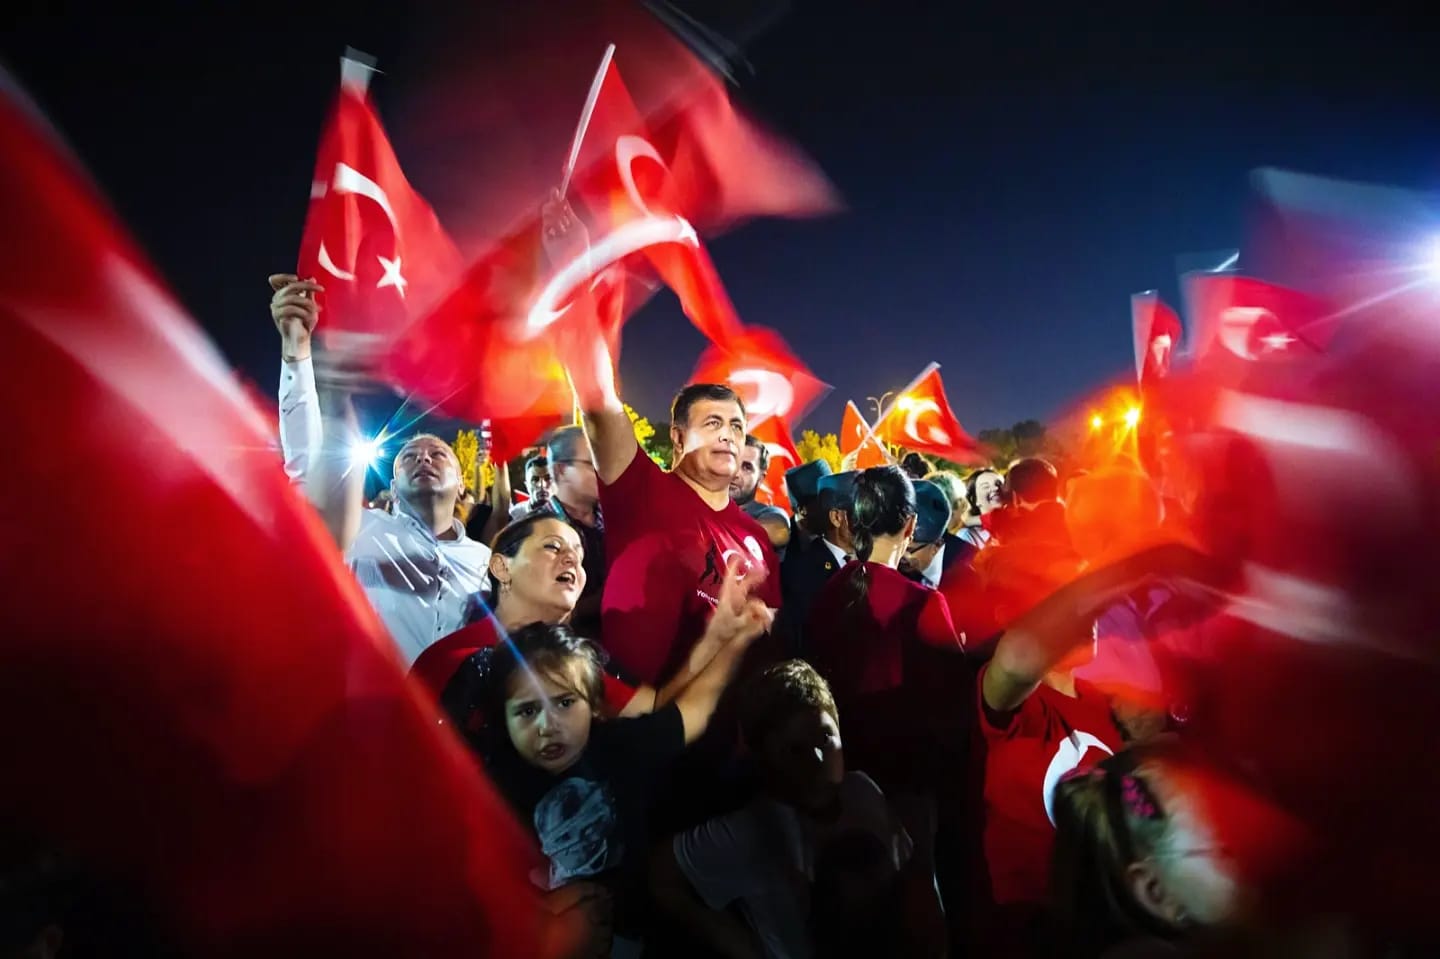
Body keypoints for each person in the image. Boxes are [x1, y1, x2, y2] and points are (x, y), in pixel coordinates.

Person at [474, 564, 772, 956]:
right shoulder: (492, 787)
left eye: (565, 703)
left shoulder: (617, 746)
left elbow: (693, 712)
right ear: (503, 717)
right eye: (527, 711)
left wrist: (734, 640)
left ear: (596, 707)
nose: (549, 726)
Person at [970, 542, 1215, 954]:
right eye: (1059, 596)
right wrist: (1131, 565)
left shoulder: (1115, 701)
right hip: (1032, 926)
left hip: (1122, 921)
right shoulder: (1013, 705)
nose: (1091, 613)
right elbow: (1016, 658)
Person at [269, 273, 491, 665]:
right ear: (393, 483)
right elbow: (308, 463)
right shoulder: (359, 531)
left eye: (438, 455)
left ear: (462, 485)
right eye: (409, 456)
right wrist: (297, 354)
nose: (423, 458)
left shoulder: (488, 562)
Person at [653, 661, 943, 959]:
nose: (818, 758)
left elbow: (907, 890)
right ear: (764, 757)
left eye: (826, 736)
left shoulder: (860, 788)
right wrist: (742, 947)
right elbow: (662, 877)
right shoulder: (751, 830)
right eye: (795, 749)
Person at [805, 467, 969, 901]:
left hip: (839, 779)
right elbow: (956, 702)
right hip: (906, 785)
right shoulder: (922, 601)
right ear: (911, 526)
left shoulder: (830, 590)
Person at [583, 379, 781, 687]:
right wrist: (584, 343)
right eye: (714, 423)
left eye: (737, 427)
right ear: (678, 436)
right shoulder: (641, 490)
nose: (727, 435)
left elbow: (770, 627)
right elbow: (598, 403)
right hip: (648, 719)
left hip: (736, 722)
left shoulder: (756, 536)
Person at [776, 470, 858, 658]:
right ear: (837, 518)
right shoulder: (800, 573)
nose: (871, 521)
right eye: (862, 511)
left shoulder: (872, 562)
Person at [543, 426, 607, 638]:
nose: (603, 470)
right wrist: (598, 602)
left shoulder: (615, 519)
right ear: (561, 470)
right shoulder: (538, 530)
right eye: (593, 463)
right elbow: (540, 610)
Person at [900, 479, 977, 589]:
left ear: (937, 545)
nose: (900, 555)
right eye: (897, 544)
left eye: (908, 549)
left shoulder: (973, 566)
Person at [732, 434, 791, 555]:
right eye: (733, 461)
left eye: (746, 467)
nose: (736, 473)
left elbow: (779, 532)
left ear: (760, 479)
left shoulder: (770, 513)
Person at [782, 459, 831, 555]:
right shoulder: (781, 547)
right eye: (825, 500)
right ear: (802, 510)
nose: (833, 506)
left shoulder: (841, 537)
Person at [957, 468, 1004, 549]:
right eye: (986, 487)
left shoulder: (1020, 522)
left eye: (999, 484)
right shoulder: (968, 536)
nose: (996, 488)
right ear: (974, 500)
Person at [509, 454, 554, 522]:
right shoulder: (515, 515)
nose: (542, 485)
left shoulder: (567, 514)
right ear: (527, 485)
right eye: (535, 480)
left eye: (548, 479)